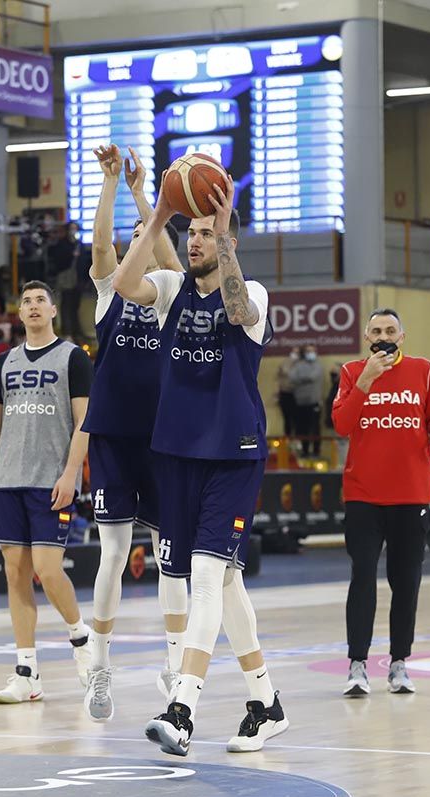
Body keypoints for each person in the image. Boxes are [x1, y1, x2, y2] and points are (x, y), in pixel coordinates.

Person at [113, 173, 288, 756]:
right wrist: (159, 214)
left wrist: (228, 232)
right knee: (227, 581)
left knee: (208, 578)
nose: (195, 241)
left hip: (233, 453)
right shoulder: (168, 289)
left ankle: (181, 709)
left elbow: (237, 312)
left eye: (206, 234)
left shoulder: (253, 294)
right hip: (178, 452)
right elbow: (121, 281)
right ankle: (266, 703)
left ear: (227, 243)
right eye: (191, 232)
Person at [80, 144, 187, 722]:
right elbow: (101, 247)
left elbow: (174, 257)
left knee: (171, 557)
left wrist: (154, 199)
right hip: (115, 438)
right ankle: (99, 666)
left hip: (163, 439)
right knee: (114, 553)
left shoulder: (170, 295)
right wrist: (111, 182)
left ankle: (175, 672)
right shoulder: (109, 294)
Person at [0, 280, 96, 705]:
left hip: (51, 479)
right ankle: (26, 672)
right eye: (27, 301)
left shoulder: (73, 358)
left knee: (47, 567)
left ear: (54, 310)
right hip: (7, 480)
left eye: (41, 300)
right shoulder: (4, 362)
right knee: (15, 573)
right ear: (19, 314)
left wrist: (70, 473)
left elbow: (85, 422)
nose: (34, 306)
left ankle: (81, 638)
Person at [331, 309, 430, 697]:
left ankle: (399, 664)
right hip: (363, 496)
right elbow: (341, 425)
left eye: (390, 330)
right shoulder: (353, 371)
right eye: (376, 330)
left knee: (406, 584)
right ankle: (357, 665)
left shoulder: (423, 370)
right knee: (363, 576)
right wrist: (366, 380)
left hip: (411, 494)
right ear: (367, 336)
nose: (384, 336)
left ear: (402, 336)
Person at [289, 343, 324, 457]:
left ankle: (316, 451)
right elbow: (292, 378)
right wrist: (305, 379)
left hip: (314, 402)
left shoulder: (318, 365)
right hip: (300, 403)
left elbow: (313, 376)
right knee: (302, 428)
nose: (310, 353)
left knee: (315, 428)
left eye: (312, 351)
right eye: (308, 351)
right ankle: (304, 451)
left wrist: (302, 379)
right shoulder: (298, 365)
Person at [275, 348, 300, 438]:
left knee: (297, 420)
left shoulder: (300, 364)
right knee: (287, 419)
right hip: (285, 393)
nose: (295, 354)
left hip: (297, 394)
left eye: (297, 352)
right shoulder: (285, 362)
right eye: (294, 352)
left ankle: (297, 440)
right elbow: (278, 377)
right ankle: (288, 439)